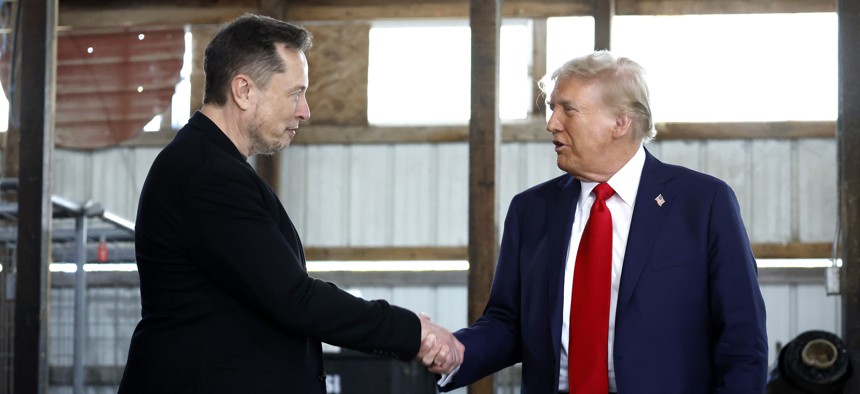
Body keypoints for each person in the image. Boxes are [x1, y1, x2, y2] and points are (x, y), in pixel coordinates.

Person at [118, 14, 461, 394]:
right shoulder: (207, 174)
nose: (305, 110)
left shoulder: (211, 165)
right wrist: (412, 332)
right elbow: (294, 299)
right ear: (244, 90)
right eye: (296, 93)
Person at [439, 50, 768, 393]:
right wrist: (455, 352)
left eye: (568, 109)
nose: (552, 123)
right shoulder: (531, 210)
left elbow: (742, 340)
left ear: (620, 122)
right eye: (552, 108)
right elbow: (507, 324)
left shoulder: (703, 203)